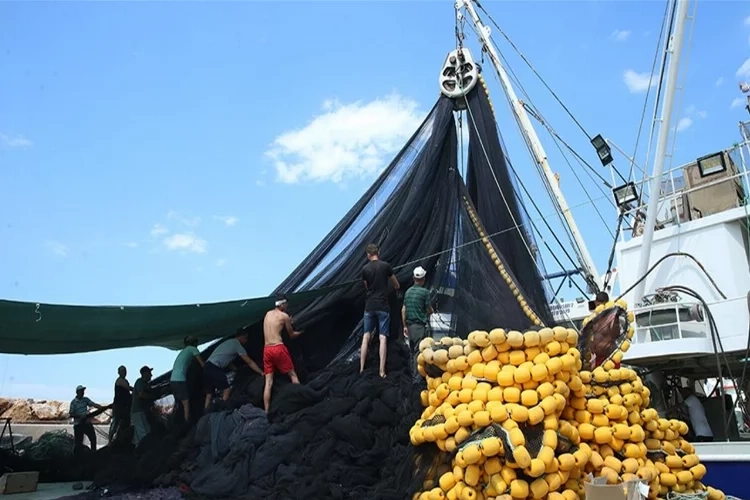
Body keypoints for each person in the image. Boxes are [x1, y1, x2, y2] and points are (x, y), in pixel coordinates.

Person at [360, 243, 400, 378]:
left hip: (370, 306)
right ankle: (382, 371)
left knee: (366, 336)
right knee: (383, 337)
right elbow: (396, 284)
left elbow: (367, 287)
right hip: (383, 306)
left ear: (368, 255)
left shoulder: (365, 269)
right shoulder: (386, 266)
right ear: (379, 253)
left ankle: (361, 368)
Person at [262, 294, 303, 412]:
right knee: (293, 375)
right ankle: (302, 400)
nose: (287, 306)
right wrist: (301, 331)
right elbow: (291, 335)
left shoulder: (267, 314)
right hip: (278, 348)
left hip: (267, 349)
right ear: (282, 304)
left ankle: (266, 412)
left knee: (268, 383)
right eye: (286, 304)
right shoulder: (284, 316)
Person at [203, 330, 263, 408]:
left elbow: (226, 359)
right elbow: (249, 361)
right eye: (246, 338)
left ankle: (206, 413)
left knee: (209, 394)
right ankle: (222, 409)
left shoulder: (229, 342)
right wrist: (261, 372)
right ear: (241, 337)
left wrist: (236, 369)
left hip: (206, 367)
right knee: (227, 389)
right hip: (214, 367)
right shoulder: (237, 344)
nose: (246, 340)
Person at [170, 335, 204, 422]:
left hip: (172, 380)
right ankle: (187, 424)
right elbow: (202, 364)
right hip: (180, 380)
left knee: (179, 403)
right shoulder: (193, 349)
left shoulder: (183, 351)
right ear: (194, 343)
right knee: (186, 403)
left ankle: (178, 423)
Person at [402, 266, 433, 357]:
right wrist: (431, 311)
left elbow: (403, 310)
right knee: (419, 352)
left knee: (412, 352)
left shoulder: (408, 292)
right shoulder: (425, 292)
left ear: (413, 278)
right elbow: (428, 309)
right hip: (419, 327)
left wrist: (404, 326)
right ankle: (417, 371)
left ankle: (412, 371)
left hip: (409, 327)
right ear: (423, 279)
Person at [70, 385, 104, 452]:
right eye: (81, 391)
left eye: (83, 391)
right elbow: (71, 414)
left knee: (93, 439)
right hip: (78, 425)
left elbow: (93, 404)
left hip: (87, 423)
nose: (83, 392)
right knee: (78, 443)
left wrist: (102, 408)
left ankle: (93, 453)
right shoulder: (73, 402)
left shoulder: (85, 400)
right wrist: (80, 416)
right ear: (77, 392)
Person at [131, 366, 157, 446]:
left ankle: (137, 453)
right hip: (138, 412)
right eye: (149, 373)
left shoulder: (145, 384)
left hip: (140, 412)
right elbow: (141, 394)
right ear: (145, 374)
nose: (151, 375)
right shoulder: (140, 382)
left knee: (139, 437)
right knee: (144, 434)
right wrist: (153, 397)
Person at [109, 366, 132, 441]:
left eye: (125, 370)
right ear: (119, 372)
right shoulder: (120, 381)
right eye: (122, 371)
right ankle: (110, 440)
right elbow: (128, 388)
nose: (124, 372)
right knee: (116, 423)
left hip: (124, 405)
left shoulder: (124, 380)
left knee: (124, 423)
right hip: (119, 405)